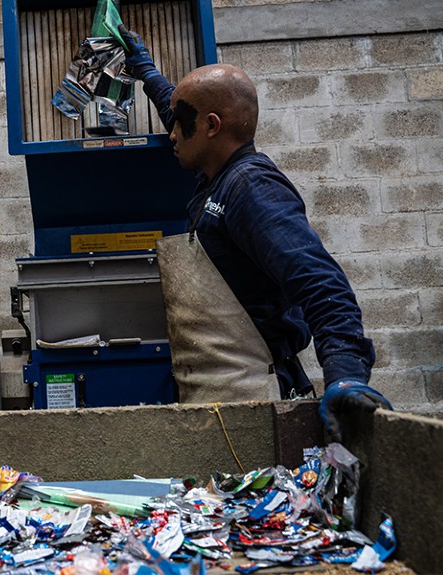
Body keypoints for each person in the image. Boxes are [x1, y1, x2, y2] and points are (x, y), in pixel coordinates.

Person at [118, 26, 392, 442]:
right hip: (220, 400)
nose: (171, 132)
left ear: (211, 126)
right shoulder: (216, 173)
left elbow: (321, 283)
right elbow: (185, 108)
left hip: (259, 404)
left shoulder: (251, 188)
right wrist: (146, 72)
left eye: (179, 123)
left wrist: (347, 374)